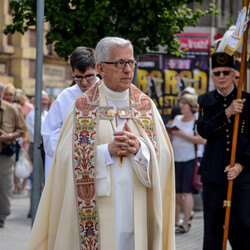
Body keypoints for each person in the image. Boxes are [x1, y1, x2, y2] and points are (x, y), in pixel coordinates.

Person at [27, 37, 175, 250]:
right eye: (119, 63)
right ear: (100, 68)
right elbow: (62, 157)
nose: (127, 69)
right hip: (97, 206)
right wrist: (106, 151)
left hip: (137, 205)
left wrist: (140, 149)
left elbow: (166, 158)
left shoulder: (146, 106)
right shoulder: (81, 107)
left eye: (130, 62)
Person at [197, 52, 250, 250]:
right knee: (213, 229)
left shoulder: (247, 101)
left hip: (242, 176)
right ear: (212, 75)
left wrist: (241, 164)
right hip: (214, 175)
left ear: (234, 74)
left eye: (226, 73)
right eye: (217, 73)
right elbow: (203, 130)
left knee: (243, 225)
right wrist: (227, 113)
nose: (221, 77)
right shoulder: (206, 100)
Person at [41, 46, 98, 180]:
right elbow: (49, 133)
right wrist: (69, 155)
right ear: (71, 72)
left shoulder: (107, 93)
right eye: (78, 77)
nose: (84, 82)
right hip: (71, 167)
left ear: (97, 69)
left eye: (89, 76)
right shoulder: (64, 98)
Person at [169, 94, 206, 234]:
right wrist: (171, 134)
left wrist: (183, 135)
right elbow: (171, 137)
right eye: (181, 102)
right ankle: (185, 215)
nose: (181, 105)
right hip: (176, 160)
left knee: (187, 192)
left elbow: (202, 140)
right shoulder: (177, 119)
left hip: (190, 160)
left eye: (184, 103)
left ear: (191, 106)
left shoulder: (196, 121)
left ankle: (185, 224)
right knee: (177, 193)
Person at [0, 86, 27, 228]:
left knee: (5, 186)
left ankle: (2, 216)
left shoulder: (12, 110)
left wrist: (8, 136)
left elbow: (22, 131)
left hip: (5, 153)